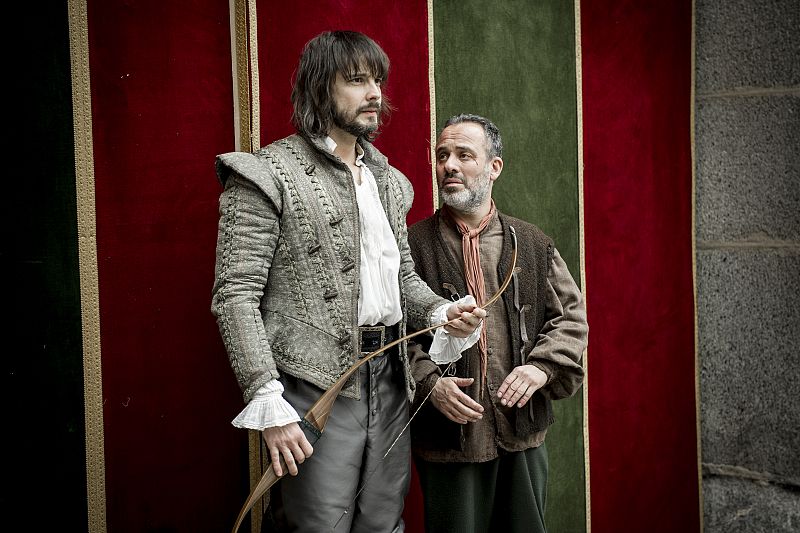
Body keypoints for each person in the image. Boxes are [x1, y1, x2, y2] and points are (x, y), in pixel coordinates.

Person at [210, 32, 485, 533]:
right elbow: (235, 296)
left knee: (383, 524)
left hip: (393, 380)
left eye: (377, 80)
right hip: (312, 384)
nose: (374, 93)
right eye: (357, 80)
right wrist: (267, 398)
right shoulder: (266, 174)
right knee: (318, 526)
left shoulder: (388, 182)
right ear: (320, 87)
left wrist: (441, 313)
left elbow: (402, 277)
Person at [407, 114, 588, 533]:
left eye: (464, 155)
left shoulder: (533, 243)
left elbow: (571, 318)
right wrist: (430, 384)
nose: (449, 165)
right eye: (442, 156)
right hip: (449, 438)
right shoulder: (411, 245)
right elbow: (394, 330)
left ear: (494, 167)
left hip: (521, 430)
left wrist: (541, 368)